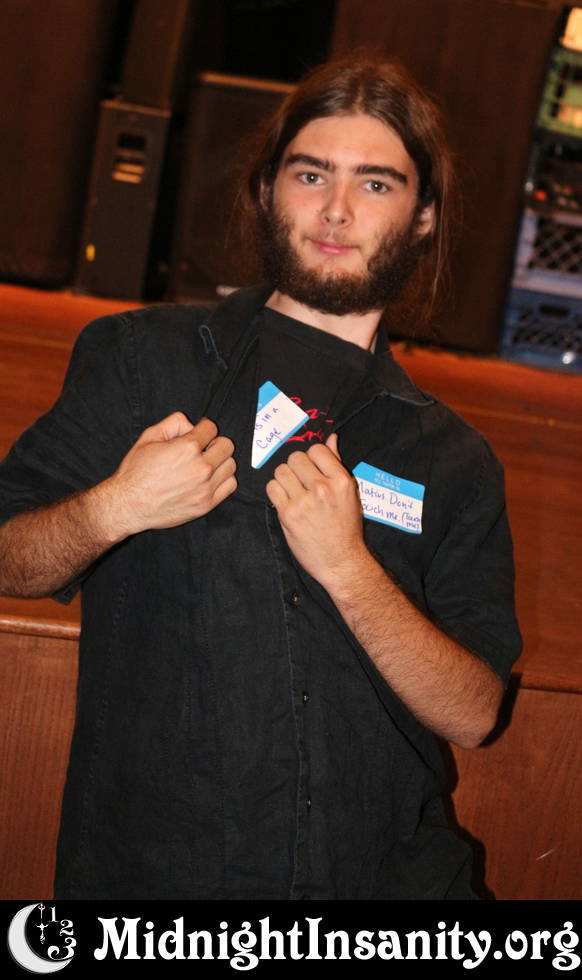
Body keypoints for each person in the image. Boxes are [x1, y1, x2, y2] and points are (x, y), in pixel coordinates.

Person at [0, 53, 521, 900]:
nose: (337, 209)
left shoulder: (452, 457)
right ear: (268, 190)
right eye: (311, 175)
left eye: (377, 184)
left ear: (424, 216)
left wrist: (349, 570)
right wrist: (113, 509)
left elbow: (472, 711)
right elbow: (7, 553)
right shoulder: (142, 361)